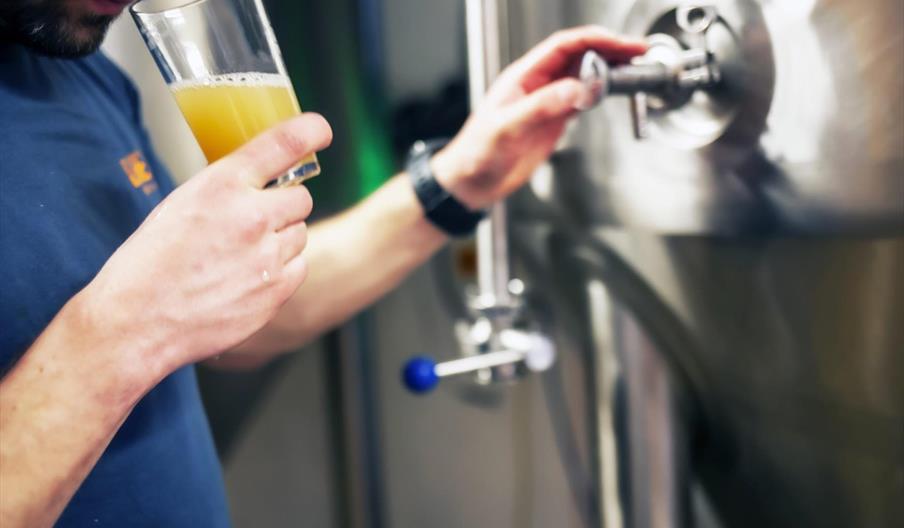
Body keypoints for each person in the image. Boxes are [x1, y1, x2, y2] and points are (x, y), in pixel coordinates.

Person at [0, 1, 646, 526]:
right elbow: (151, 319)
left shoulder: (77, 70)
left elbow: (248, 316)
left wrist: (461, 176)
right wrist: (128, 330)